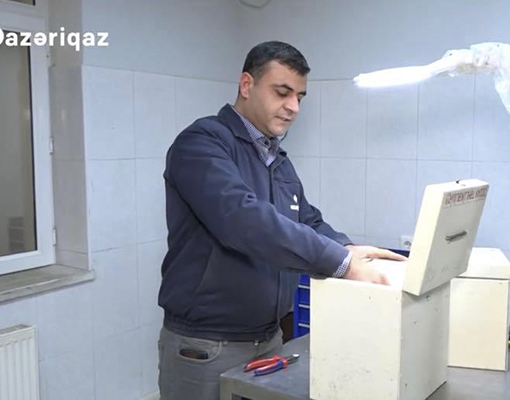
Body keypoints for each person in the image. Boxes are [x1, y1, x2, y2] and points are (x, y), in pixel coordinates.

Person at [157, 40, 406, 400]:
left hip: (269, 338)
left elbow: (308, 219)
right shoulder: (203, 143)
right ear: (247, 85)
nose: (293, 107)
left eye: (300, 97)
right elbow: (243, 221)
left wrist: (348, 248)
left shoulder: (277, 158)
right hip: (207, 345)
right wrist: (342, 264)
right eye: (282, 92)